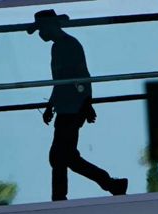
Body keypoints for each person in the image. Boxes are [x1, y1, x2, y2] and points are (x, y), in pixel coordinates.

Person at [29, 9, 128, 201]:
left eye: (41, 28)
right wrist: (51, 106)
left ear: (51, 26)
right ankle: (111, 185)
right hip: (67, 108)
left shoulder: (68, 45)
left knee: (60, 156)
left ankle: (61, 198)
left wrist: (85, 104)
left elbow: (81, 77)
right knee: (65, 157)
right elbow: (60, 82)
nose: (40, 33)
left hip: (73, 109)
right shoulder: (59, 47)